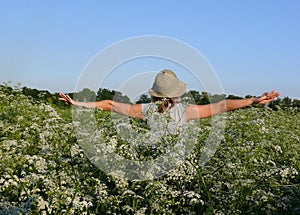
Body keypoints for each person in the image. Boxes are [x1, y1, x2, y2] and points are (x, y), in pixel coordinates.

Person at [59, 69, 280, 128]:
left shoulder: (145, 110)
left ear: (154, 95)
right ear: (178, 94)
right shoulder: (185, 111)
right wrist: (252, 100)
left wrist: (77, 103)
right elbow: (222, 106)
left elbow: (109, 104)